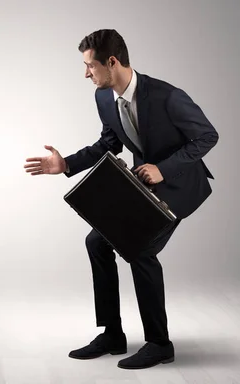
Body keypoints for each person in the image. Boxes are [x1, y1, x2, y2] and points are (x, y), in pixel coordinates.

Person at [24, 29, 218, 369]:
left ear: (112, 62)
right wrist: (65, 164)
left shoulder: (168, 97)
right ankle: (113, 335)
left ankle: (159, 343)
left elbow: (206, 135)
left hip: (179, 185)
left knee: (138, 247)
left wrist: (164, 168)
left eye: (90, 66)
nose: (86, 74)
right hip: (143, 185)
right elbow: (109, 144)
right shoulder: (103, 97)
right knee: (97, 243)